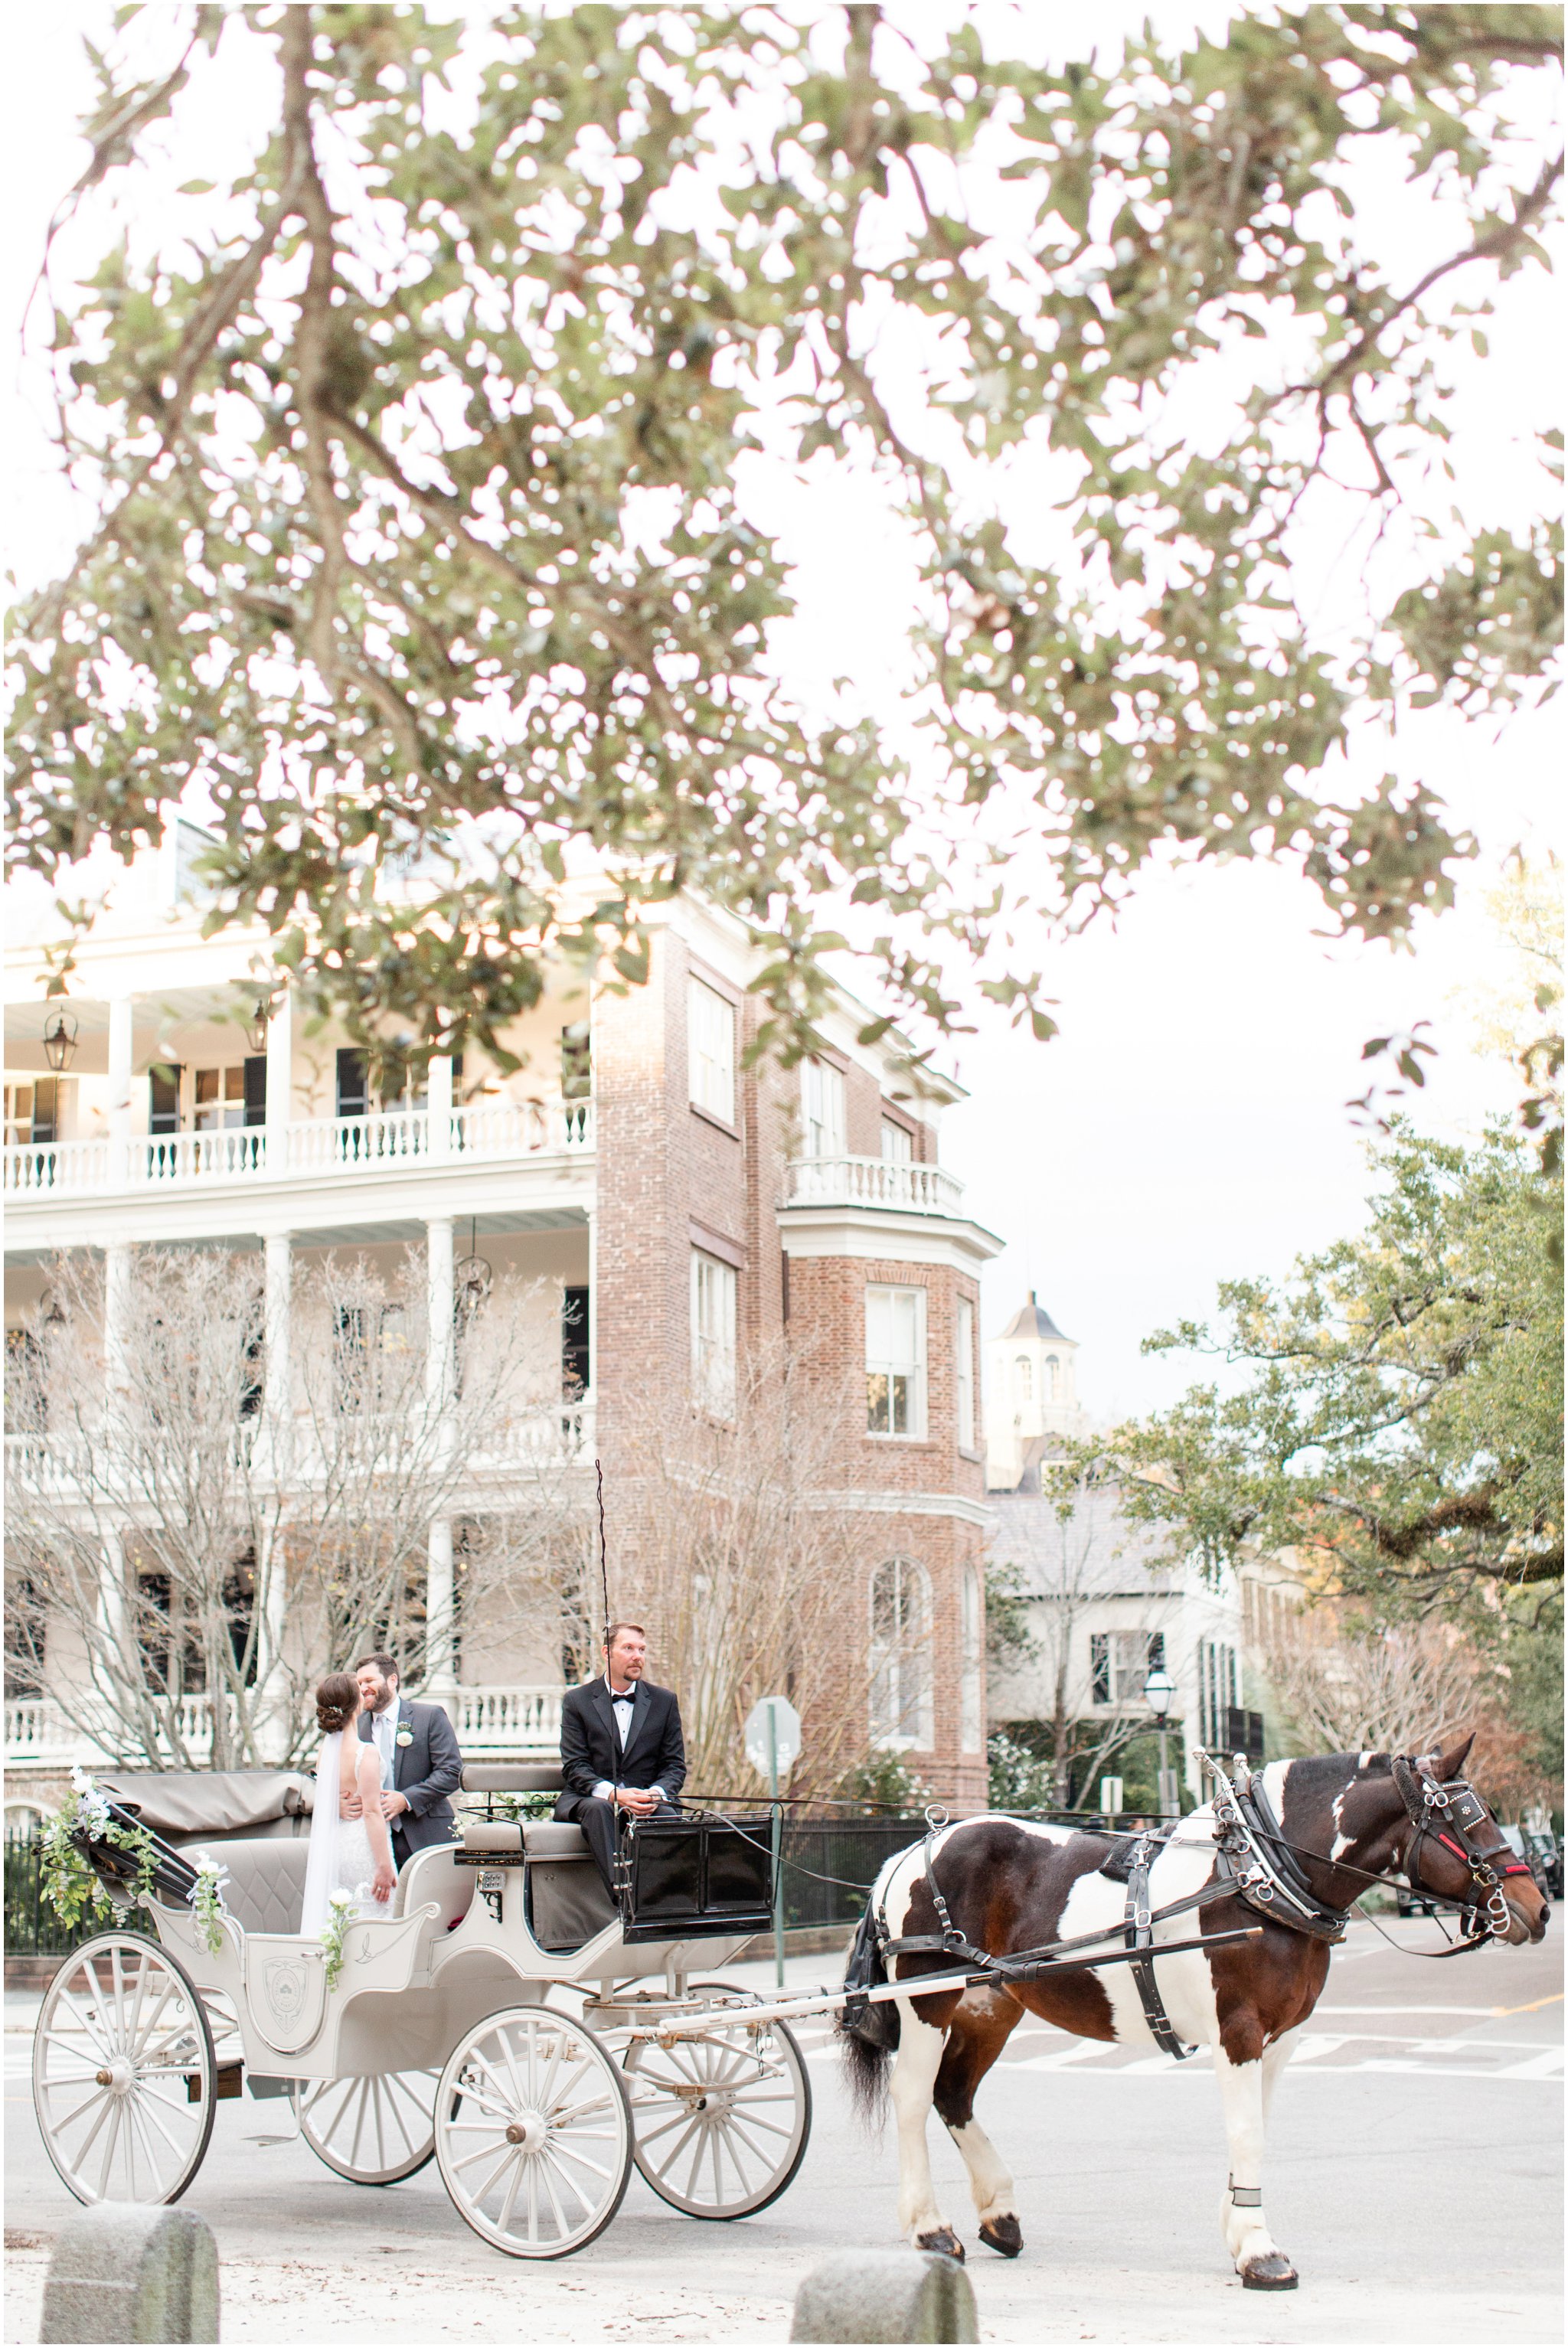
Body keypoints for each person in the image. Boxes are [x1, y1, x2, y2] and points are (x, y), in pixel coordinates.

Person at [554, 1622, 687, 1893]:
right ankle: (622, 1894)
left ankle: (663, 1897)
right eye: (628, 1648)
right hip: (593, 1799)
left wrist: (655, 1794)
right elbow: (575, 1766)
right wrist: (614, 1795)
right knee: (600, 1809)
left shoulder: (665, 1701)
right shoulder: (577, 1701)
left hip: (646, 1799)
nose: (637, 1655)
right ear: (607, 1652)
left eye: (642, 1649)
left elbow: (674, 1765)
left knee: (665, 1813)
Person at [348, 1652, 464, 1870]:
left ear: (393, 1680)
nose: (363, 1688)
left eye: (370, 1681)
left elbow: (451, 1771)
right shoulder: (354, 1726)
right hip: (371, 1840)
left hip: (425, 1833)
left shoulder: (429, 1717)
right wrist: (342, 1803)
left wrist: (406, 1799)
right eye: (359, 1683)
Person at [300, 1674, 397, 1932]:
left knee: (340, 1924)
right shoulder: (366, 1753)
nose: (365, 1691)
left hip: (334, 1847)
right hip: (362, 1849)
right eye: (359, 1688)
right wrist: (384, 1866)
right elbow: (373, 1813)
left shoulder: (325, 1751)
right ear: (354, 1703)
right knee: (375, 1923)